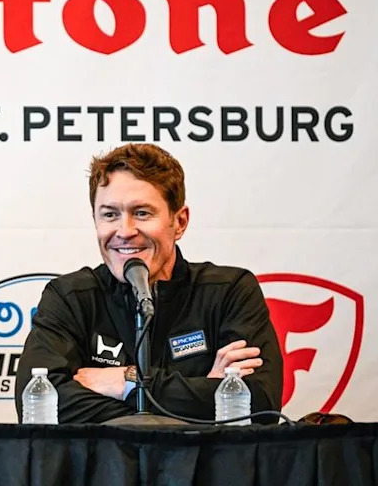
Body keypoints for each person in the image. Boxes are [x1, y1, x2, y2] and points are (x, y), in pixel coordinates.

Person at [15, 143, 283, 423]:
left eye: (142, 213)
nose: (125, 231)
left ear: (179, 222)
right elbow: (39, 404)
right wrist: (201, 397)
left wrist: (125, 382)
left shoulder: (229, 292)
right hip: (103, 467)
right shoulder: (69, 297)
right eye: (110, 214)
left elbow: (260, 404)